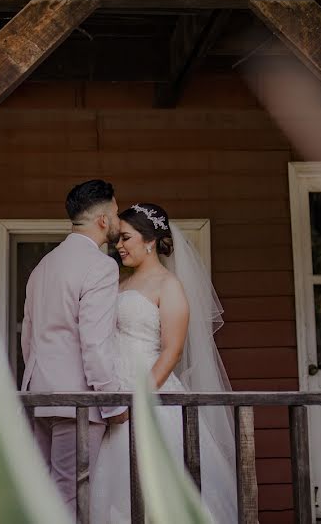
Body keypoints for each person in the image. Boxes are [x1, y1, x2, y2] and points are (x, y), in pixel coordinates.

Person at [90, 203, 243, 524]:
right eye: (118, 239)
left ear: (149, 241)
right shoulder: (120, 283)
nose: (118, 245)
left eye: (126, 238)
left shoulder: (169, 286)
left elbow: (172, 351)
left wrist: (139, 398)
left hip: (151, 394)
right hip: (115, 397)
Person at [20, 179, 129, 516]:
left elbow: (29, 338)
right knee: (71, 497)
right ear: (102, 221)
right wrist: (113, 403)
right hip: (78, 402)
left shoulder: (43, 266)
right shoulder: (100, 266)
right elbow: (95, 344)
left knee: (48, 493)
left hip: (39, 396)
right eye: (115, 213)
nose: (117, 221)